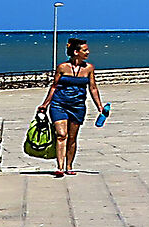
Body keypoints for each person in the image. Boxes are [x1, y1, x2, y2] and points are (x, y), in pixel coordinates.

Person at [37, 38, 107, 176]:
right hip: (59, 104)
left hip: (78, 106)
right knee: (61, 135)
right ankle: (60, 167)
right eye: (85, 50)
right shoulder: (62, 67)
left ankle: (69, 166)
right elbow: (54, 86)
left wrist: (100, 106)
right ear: (76, 52)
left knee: (72, 137)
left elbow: (93, 88)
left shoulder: (89, 68)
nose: (88, 52)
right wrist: (45, 104)